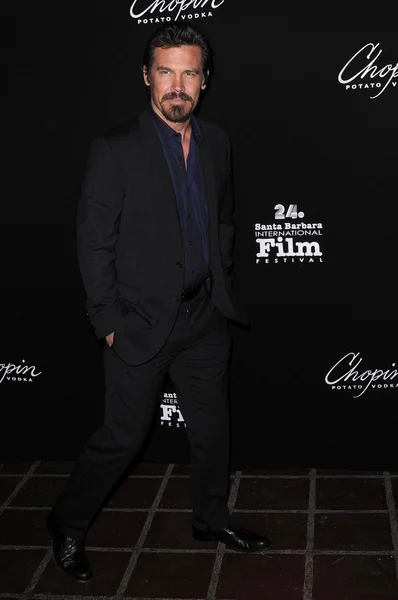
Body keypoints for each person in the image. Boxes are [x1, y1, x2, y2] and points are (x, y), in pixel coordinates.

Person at [46, 22, 271, 582]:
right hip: (140, 324)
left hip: (204, 319)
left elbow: (222, 220)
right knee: (121, 440)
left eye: (189, 72)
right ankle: (67, 523)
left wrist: (218, 284)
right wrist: (109, 323)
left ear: (204, 81)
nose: (177, 85)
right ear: (146, 76)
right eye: (166, 71)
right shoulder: (115, 149)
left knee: (212, 431)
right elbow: (93, 242)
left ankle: (209, 517)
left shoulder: (217, 142)